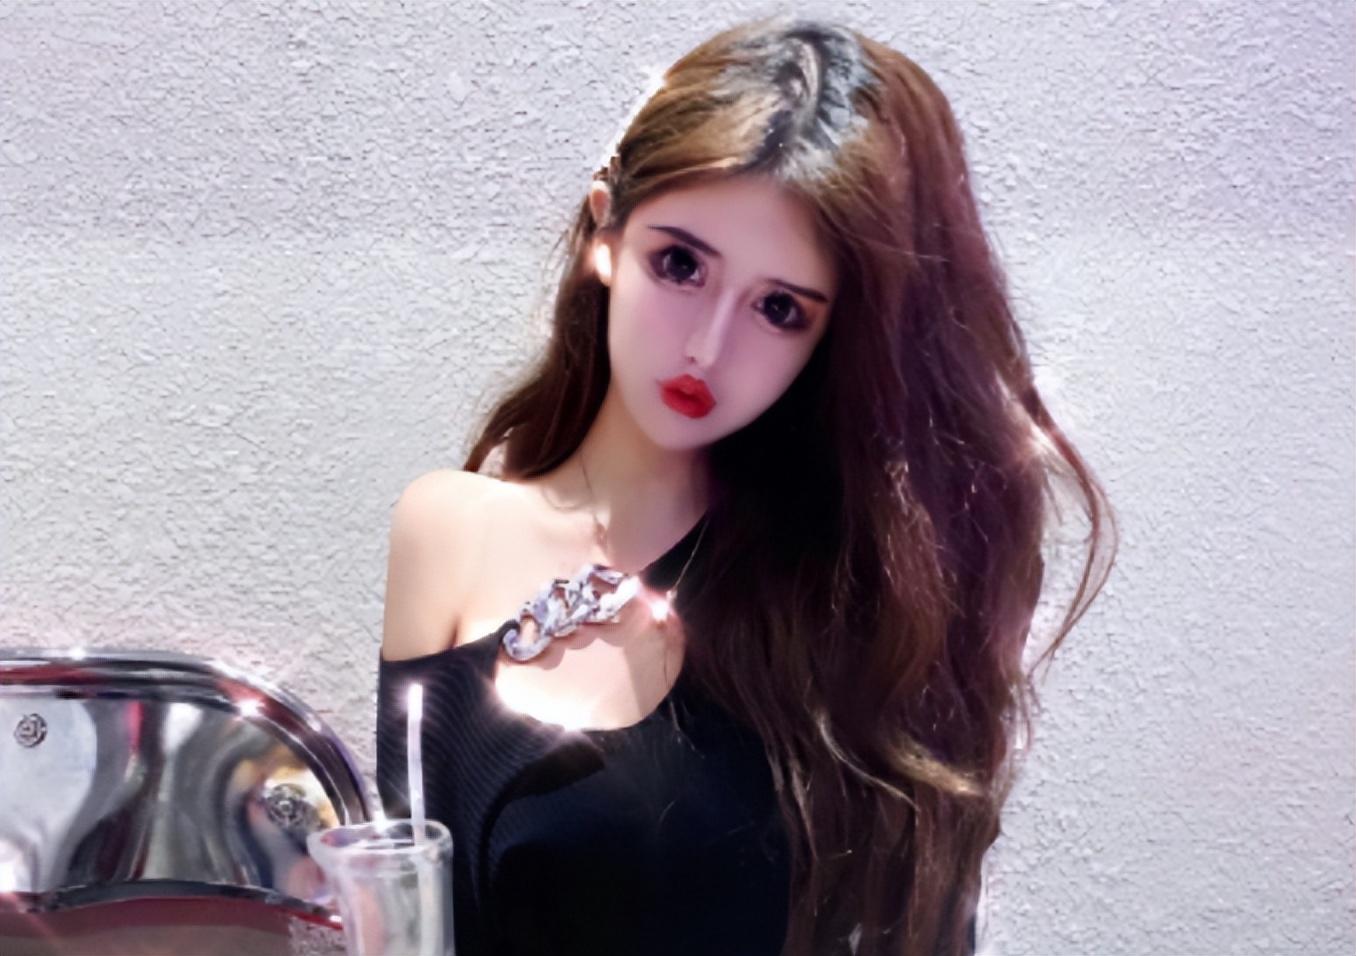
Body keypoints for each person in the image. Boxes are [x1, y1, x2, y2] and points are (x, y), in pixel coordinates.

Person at [376, 14, 1117, 956]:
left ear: (832, 335)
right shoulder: (448, 532)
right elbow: (408, 915)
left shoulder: (865, 598)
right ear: (606, 232)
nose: (707, 346)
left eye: (778, 308)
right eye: (680, 264)